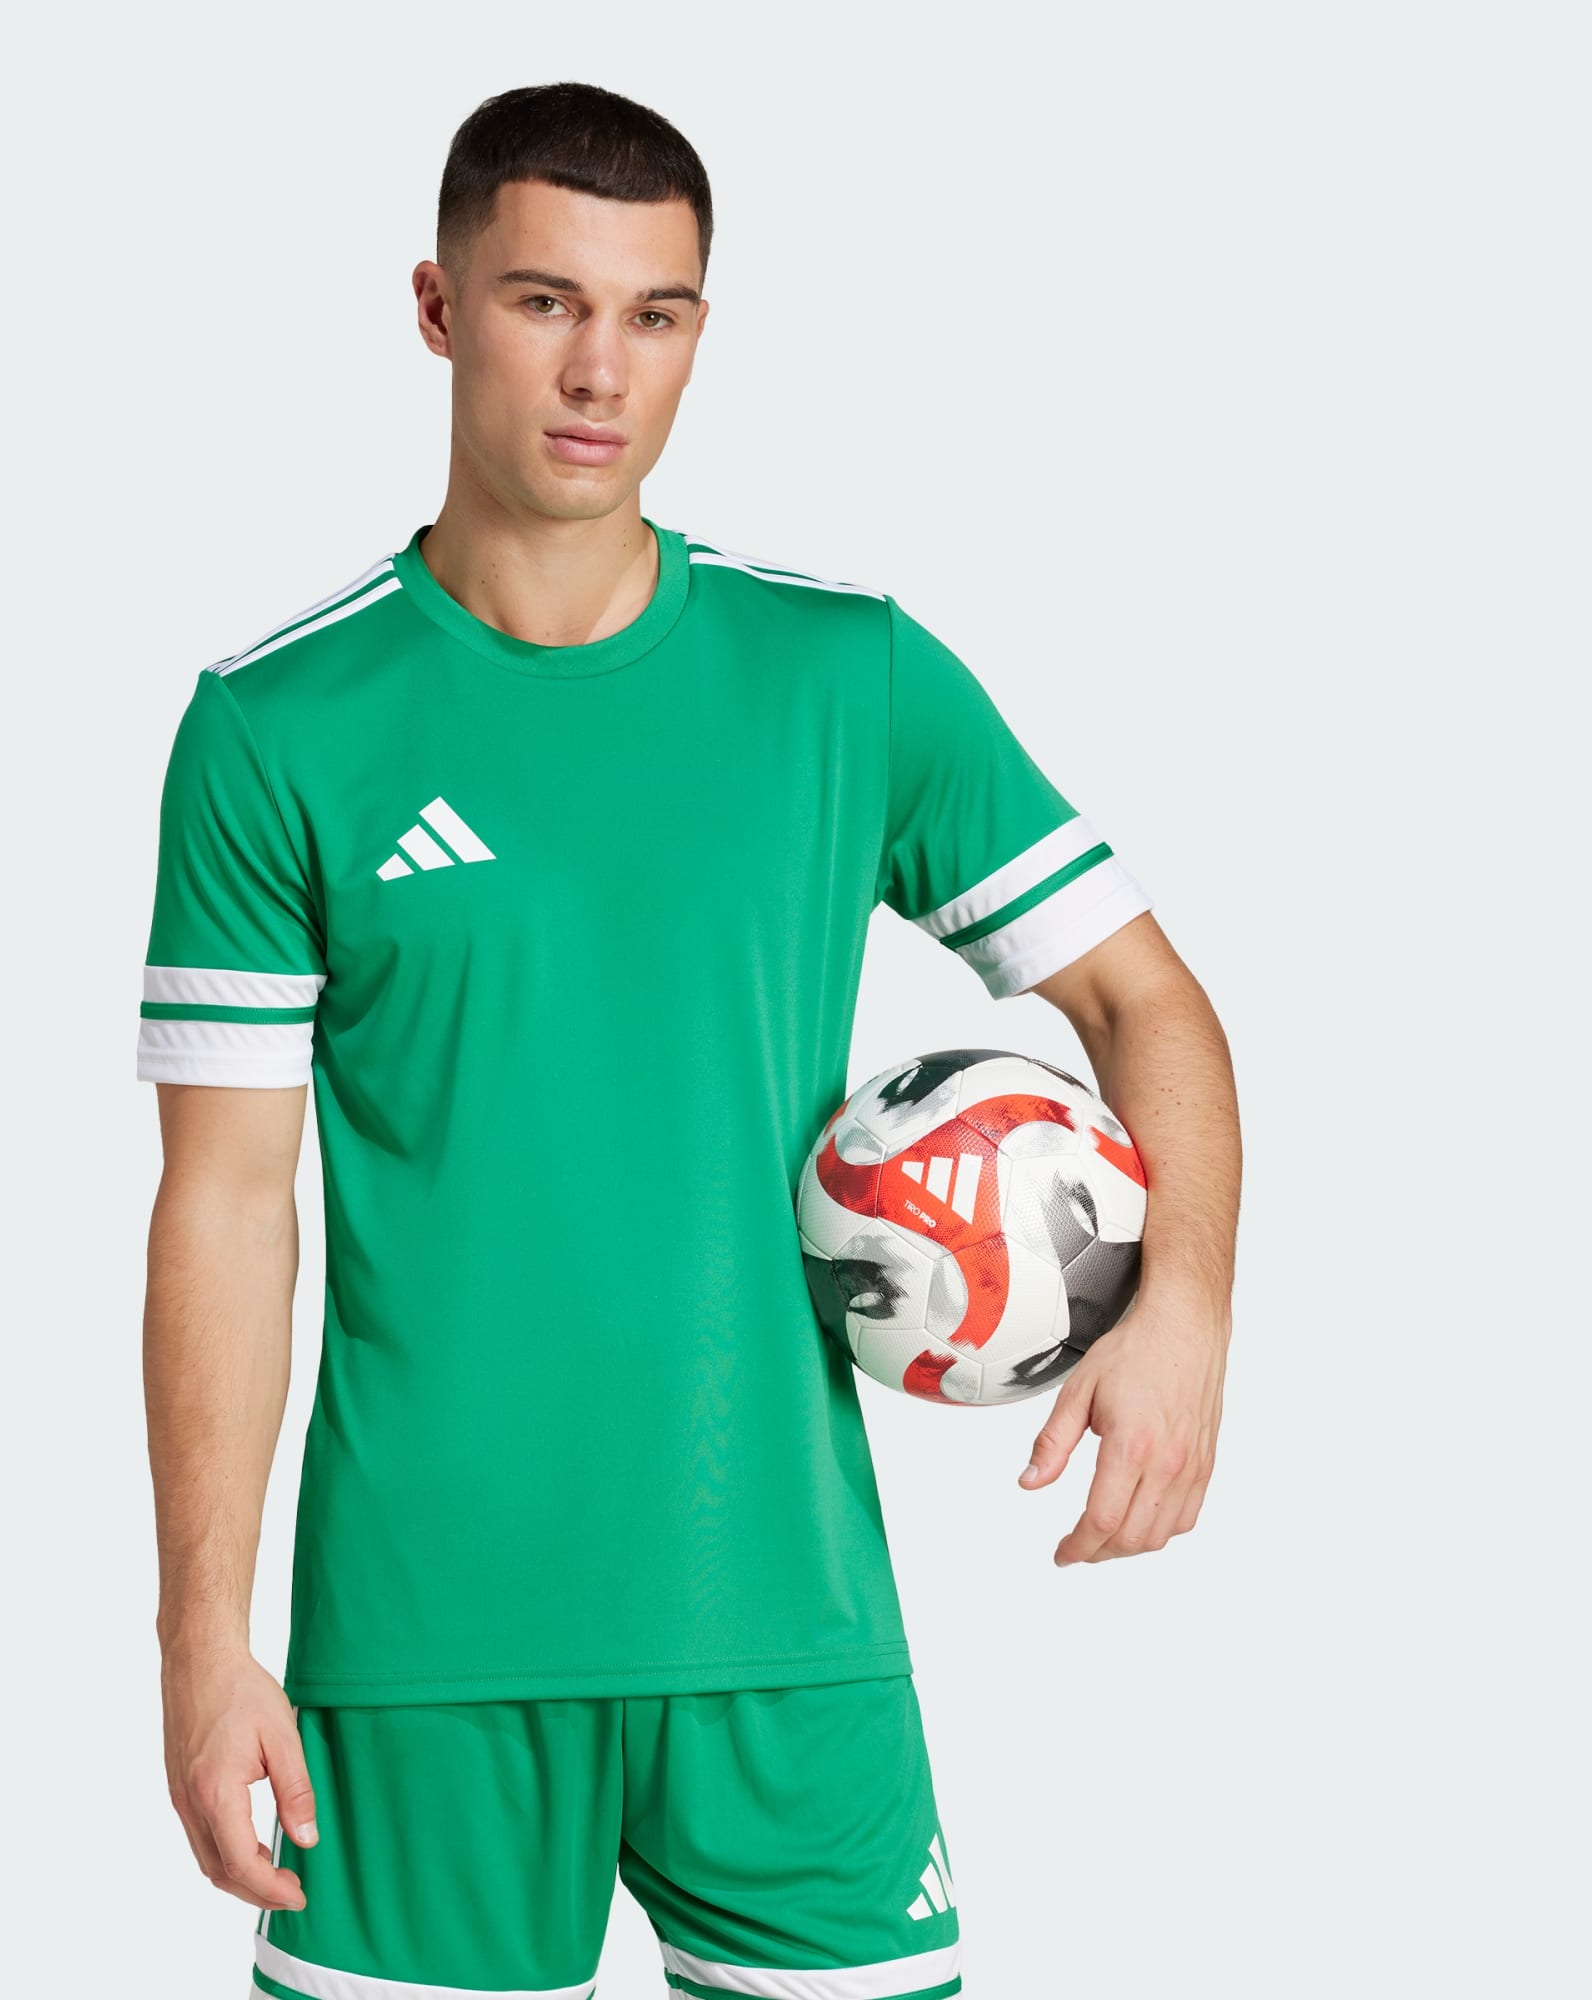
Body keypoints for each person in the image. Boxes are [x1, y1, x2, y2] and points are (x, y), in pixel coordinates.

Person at [138, 80, 1240, 2000]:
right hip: (421, 1648)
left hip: (786, 1624)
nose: (602, 371)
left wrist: (1190, 1306)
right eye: (546, 302)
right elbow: (226, 1210)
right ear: (437, 308)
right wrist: (200, 1647)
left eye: (654, 316)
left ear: (699, 332)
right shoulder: (279, 726)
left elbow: (1145, 998)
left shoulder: (844, 674)